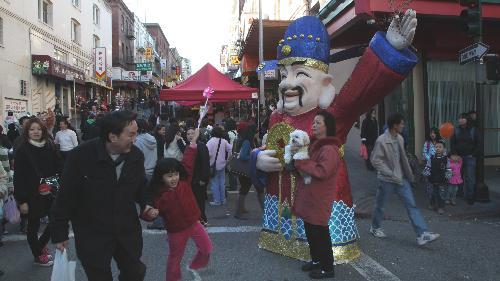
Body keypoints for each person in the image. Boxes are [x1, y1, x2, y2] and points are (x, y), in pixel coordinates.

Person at [50, 111, 159, 281]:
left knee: (135, 272)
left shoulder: (135, 155)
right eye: (131, 134)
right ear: (113, 137)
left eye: (136, 133)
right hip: (92, 232)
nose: (135, 138)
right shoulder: (80, 156)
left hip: (126, 229)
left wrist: (147, 204)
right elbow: (65, 196)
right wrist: (59, 233)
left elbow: (141, 187)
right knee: (99, 275)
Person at [151, 128, 212, 281]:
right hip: (175, 230)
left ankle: (194, 267)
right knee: (174, 259)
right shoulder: (159, 194)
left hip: (193, 222)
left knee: (206, 248)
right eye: (169, 176)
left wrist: (193, 142)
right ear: (161, 177)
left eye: (175, 174)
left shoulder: (184, 181)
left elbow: (188, 161)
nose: (173, 178)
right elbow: (148, 209)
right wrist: (148, 213)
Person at [370, 113, 440, 246]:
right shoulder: (381, 140)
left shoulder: (400, 138)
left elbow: (403, 159)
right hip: (386, 180)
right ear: (395, 125)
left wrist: (410, 175)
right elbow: (375, 160)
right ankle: (375, 227)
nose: (403, 126)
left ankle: (422, 234)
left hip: (401, 179)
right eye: (401, 123)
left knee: (411, 205)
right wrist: (390, 173)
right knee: (380, 206)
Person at [290, 111, 340, 279]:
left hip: (319, 198)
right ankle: (317, 260)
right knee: (311, 230)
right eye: (314, 122)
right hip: (309, 195)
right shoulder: (315, 145)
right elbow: (305, 167)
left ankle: (328, 268)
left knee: (320, 232)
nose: (314, 125)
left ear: (328, 126)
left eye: (318, 122)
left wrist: (302, 163)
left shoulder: (329, 149)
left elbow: (322, 171)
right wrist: (296, 165)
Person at [14, 118, 62, 266]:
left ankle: (39, 247)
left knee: (56, 220)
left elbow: (59, 168)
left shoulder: (50, 146)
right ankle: (37, 255)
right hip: (31, 194)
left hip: (50, 190)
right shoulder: (23, 149)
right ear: (27, 131)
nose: (36, 132)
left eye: (39, 129)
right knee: (33, 225)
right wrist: (21, 201)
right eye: (32, 129)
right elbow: (19, 176)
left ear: (43, 131)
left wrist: (56, 185)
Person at [234, 124, 264, 219]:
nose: (258, 133)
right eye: (257, 131)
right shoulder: (247, 142)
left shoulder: (252, 141)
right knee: (251, 189)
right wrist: (253, 156)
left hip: (251, 170)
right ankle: (239, 212)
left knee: (247, 190)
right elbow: (243, 156)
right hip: (248, 170)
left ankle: (240, 209)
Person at [450, 113, 479, 205]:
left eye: (462, 118)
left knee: (470, 177)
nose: (460, 120)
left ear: (467, 119)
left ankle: (470, 197)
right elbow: (452, 142)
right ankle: (459, 192)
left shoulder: (473, 130)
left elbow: (478, 144)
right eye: (459, 118)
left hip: (470, 157)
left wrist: (473, 154)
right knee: (458, 176)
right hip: (458, 157)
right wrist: (454, 154)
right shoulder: (456, 130)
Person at [186, 127, 210, 226]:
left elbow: (205, 163)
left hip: (199, 179)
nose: (190, 136)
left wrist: (203, 179)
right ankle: (195, 220)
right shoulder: (188, 146)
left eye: (192, 133)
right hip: (190, 179)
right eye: (188, 134)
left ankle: (203, 219)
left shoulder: (201, 146)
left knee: (200, 201)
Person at [422, 139, 452, 215]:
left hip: (442, 180)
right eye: (436, 147)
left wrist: (448, 176)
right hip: (432, 179)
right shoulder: (431, 159)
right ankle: (432, 204)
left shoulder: (446, 159)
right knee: (432, 193)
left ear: (444, 149)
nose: (438, 148)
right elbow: (428, 167)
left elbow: (448, 169)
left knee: (441, 194)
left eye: (440, 147)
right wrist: (426, 173)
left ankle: (441, 207)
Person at [206, 126, 232, 206]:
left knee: (214, 183)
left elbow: (208, 153)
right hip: (222, 164)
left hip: (213, 166)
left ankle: (217, 200)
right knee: (222, 182)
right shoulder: (223, 141)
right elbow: (231, 149)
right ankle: (223, 199)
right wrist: (228, 160)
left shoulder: (210, 142)